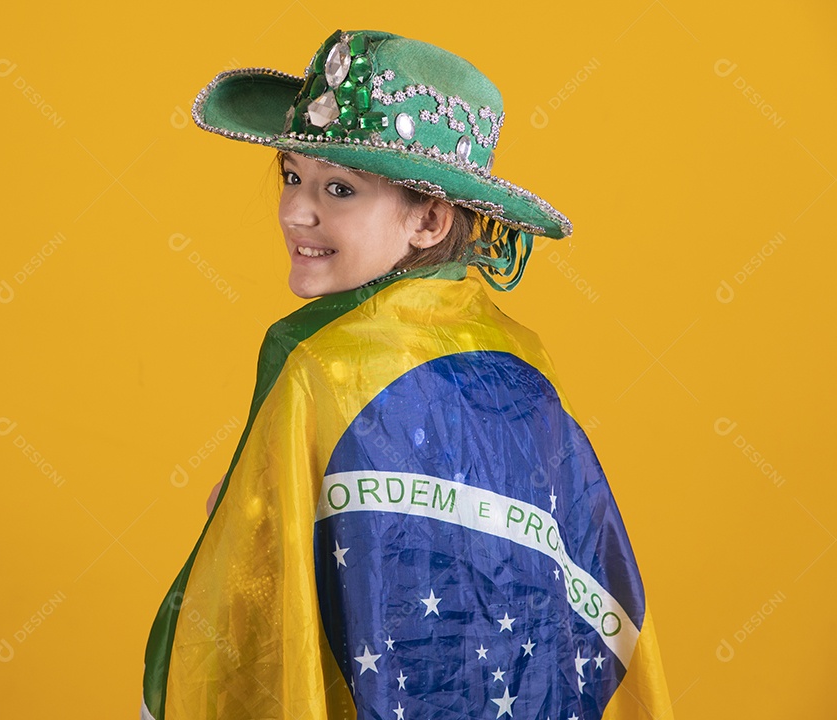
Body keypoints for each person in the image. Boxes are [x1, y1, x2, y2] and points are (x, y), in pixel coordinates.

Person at [142, 29, 673, 720]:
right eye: (291, 176)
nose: (297, 210)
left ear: (428, 218)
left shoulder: (317, 361)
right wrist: (263, 511)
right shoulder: (521, 358)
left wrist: (242, 537)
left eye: (338, 188)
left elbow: (251, 633)